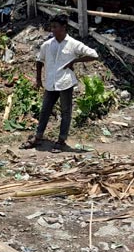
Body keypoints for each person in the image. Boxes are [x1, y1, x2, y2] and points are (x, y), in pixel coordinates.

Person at [20, 14, 99, 153]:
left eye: (55, 27)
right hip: (50, 83)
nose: (53, 29)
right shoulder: (47, 44)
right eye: (52, 27)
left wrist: (74, 61)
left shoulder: (73, 44)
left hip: (65, 83)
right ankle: (38, 137)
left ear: (64, 27)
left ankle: (61, 140)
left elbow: (93, 55)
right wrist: (38, 79)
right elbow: (39, 61)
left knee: (65, 112)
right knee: (45, 111)